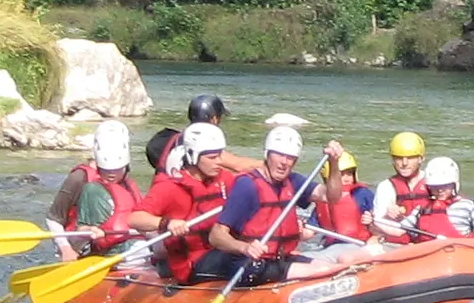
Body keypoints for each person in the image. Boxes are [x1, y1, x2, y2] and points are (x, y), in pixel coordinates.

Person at [195, 127, 340, 286]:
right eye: (279, 154)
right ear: (267, 154)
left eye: (290, 157)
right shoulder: (247, 186)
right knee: (320, 272)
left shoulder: (292, 181)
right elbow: (216, 236)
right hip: (248, 263)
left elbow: (331, 196)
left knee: (328, 269)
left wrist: (333, 163)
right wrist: (245, 247)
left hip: (278, 259)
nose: (284, 162)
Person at [127, 122, 236, 280]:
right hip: (191, 264)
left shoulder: (225, 179)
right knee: (241, 259)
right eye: (212, 157)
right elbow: (134, 219)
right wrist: (166, 223)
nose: (219, 161)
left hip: (219, 250)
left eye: (221, 155)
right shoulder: (170, 187)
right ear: (193, 156)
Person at [47, 119, 141, 262]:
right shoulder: (79, 178)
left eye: (117, 170)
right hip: (81, 249)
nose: (112, 175)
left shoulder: (126, 183)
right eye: (107, 170)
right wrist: (65, 249)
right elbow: (53, 218)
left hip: (121, 249)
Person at [396, 157, 474, 240]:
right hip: (430, 253)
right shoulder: (421, 209)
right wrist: (381, 227)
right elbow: (399, 229)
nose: (440, 191)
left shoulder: (467, 206)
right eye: (435, 187)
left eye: (445, 186)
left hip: (461, 251)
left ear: (454, 185)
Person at [370, 131, 430, 243]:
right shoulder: (386, 187)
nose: (404, 163)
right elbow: (376, 228)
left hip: (428, 244)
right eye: (399, 158)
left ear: (421, 159)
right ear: (393, 160)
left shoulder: (432, 182)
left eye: (410, 158)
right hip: (398, 246)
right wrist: (387, 216)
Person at [310, 148, 374, 244]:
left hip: (359, 244)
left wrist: (371, 220)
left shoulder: (362, 194)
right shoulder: (323, 199)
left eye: (349, 174)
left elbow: (378, 216)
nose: (347, 179)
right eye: (341, 175)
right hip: (331, 245)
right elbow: (310, 229)